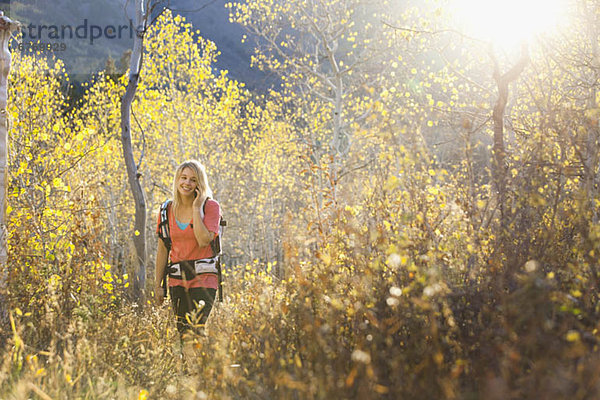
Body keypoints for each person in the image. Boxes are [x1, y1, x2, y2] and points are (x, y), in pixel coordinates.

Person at [154, 160, 222, 339]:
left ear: (199, 183)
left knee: (196, 331)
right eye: (183, 178)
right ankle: (192, 367)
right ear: (177, 180)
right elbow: (162, 250)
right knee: (183, 333)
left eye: (193, 179)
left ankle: (196, 367)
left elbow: (202, 240)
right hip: (177, 280)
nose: (187, 183)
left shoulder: (210, 207)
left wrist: (196, 207)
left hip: (204, 279)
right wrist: (158, 285)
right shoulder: (165, 210)